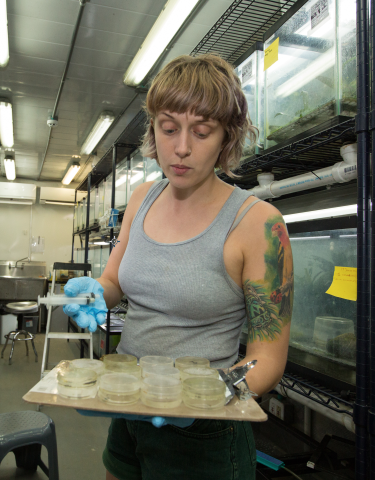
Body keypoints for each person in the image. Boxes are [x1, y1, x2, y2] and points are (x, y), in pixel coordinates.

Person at [63, 53, 293, 480]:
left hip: (205, 433)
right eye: (169, 129)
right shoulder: (141, 199)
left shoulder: (258, 225)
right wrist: (95, 291)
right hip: (128, 405)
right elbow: (114, 279)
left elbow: (267, 358)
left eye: (201, 132)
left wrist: (200, 398)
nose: (181, 147)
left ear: (227, 137)